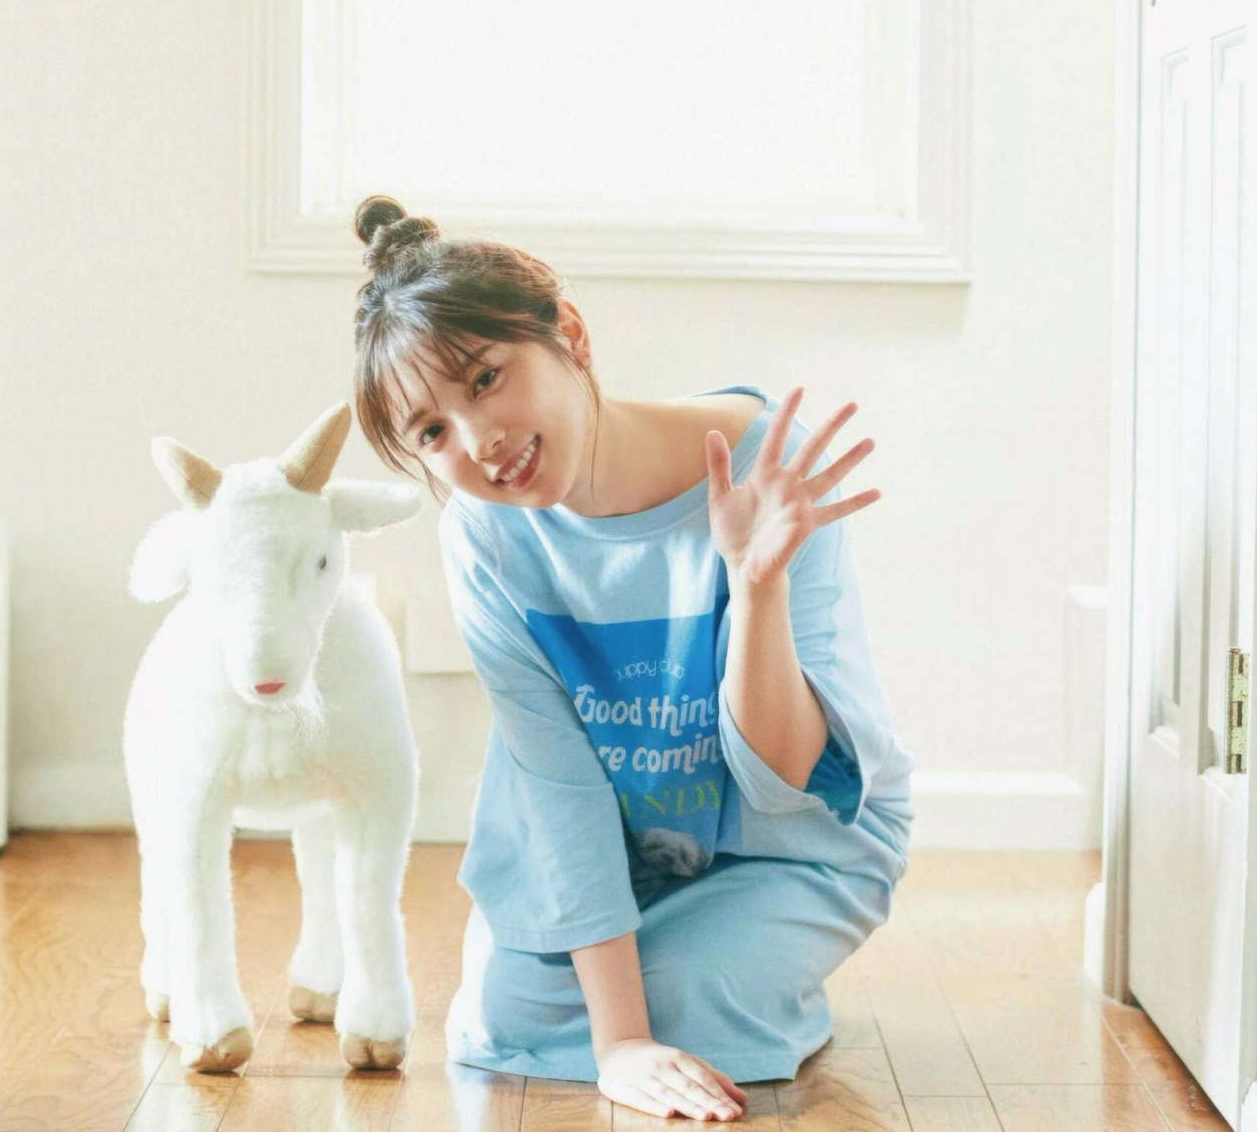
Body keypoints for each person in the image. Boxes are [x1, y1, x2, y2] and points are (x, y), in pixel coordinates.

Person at [347, 195, 914, 1123]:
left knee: (692, 998)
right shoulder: (484, 534)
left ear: (568, 334)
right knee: (507, 1016)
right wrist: (619, 1043)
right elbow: (553, 780)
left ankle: (743, 981)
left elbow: (785, 781)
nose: (478, 443)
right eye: (432, 432)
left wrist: (755, 586)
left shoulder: (766, 466)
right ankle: (683, 991)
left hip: (785, 845)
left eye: (485, 378)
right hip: (611, 840)